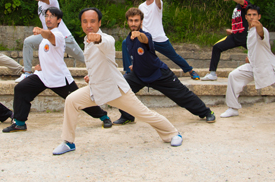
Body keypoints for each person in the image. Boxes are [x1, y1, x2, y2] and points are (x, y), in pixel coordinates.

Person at [52, 8, 183, 155]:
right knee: (71, 100)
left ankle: (173, 133)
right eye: (85, 21)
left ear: (99, 22)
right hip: (97, 88)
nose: (88, 24)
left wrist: (98, 39)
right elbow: (99, 63)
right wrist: (92, 76)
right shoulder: (86, 40)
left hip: (116, 90)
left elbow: (106, 43)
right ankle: (68, 142)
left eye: (92, 21)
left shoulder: (105, 39)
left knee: (144, 114)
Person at [3, 7, 111, 132]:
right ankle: (19, 122)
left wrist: (41, 31)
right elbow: (48, 54)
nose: (48, 19)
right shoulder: (44, 38)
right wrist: (40, 66)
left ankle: (103, 116)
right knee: (21, 88)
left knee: (78, 100)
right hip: (43, 76)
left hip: (59, 78)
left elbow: (49, 35)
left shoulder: (58, 35)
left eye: (52, 16)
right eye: (47, 16)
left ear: (59, 20)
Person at [113, 7, 215, 125]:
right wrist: (134, 65)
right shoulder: (127, 41)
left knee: (182, 95)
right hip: (139, 75)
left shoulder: (146, 36)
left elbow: (144, 40)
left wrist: (139, 35)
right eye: (131, 20)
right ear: (127, 22)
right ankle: (127, 116)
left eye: (136, 20)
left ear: (141, 22)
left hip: (158, 73)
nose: (133, 23)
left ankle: (207, 112)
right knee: (121, 88)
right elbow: (137, 56)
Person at [122, 0, 200, 80]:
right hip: (145, 38)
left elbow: (158, 3)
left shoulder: (157, 3)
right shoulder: (141, 6)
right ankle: (128, 71)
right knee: (125, 43)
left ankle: (191, 70)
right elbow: (140, 22)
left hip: (159, 38)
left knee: (173, 56)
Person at [19, 0, 84, 82]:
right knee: (28, 42)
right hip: (48, 35)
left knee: (82, 58)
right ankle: (27, 73)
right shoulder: (39, 4)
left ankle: (102, 68)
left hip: (63, 37)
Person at [202, 0, 250, 81]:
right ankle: (212, 73)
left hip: (247, 38)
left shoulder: (246, 4)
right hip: (235, 36)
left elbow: (241, 1)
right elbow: (241, 23)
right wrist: (233, 31)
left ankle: (270, 71)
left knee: (259, 53)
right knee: (217, 47)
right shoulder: (236, 8)